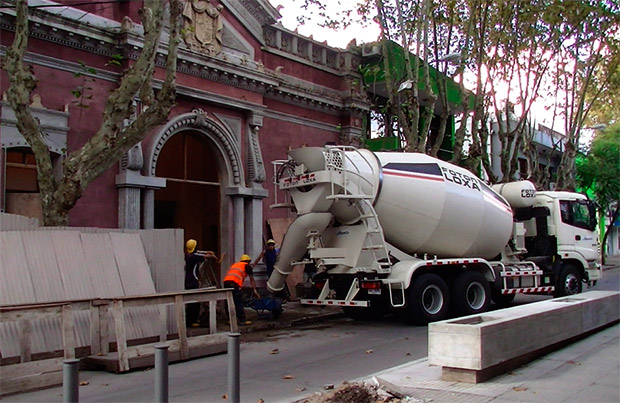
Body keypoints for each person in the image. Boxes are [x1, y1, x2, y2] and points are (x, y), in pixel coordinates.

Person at [223, 254, 260, 325]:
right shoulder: (247, 266)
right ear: (248, 261)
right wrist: (255, 291)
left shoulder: (235, 265)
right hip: (234, 284)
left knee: (229, 301)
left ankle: (229, 319)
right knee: (238, 302)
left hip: (226, 283)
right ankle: (242, 320)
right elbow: (252, 280)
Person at [184, 239, 204, 327]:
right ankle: (193, 320)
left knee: (190, 302)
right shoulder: (193, 257)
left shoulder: (188, 256)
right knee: (195, 302)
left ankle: (190, 320)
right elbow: (204, 257)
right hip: (193, 282)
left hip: (188, 281)